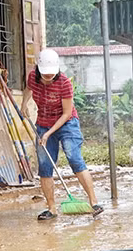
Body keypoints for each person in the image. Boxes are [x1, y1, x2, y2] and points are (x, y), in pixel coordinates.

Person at [22, 49, 102, 220]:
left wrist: (49, 133)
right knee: (45, 166)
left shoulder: (64, 83)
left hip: (67, 123)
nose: (49, 77)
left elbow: (66, 113)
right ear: (39, 69)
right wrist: (24, 104)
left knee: (74, 158)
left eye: (52, 74)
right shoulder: (32, 77)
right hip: (43, 123)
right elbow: (28, 89)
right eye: (46, 75)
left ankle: (94, 202)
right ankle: (51, 209)